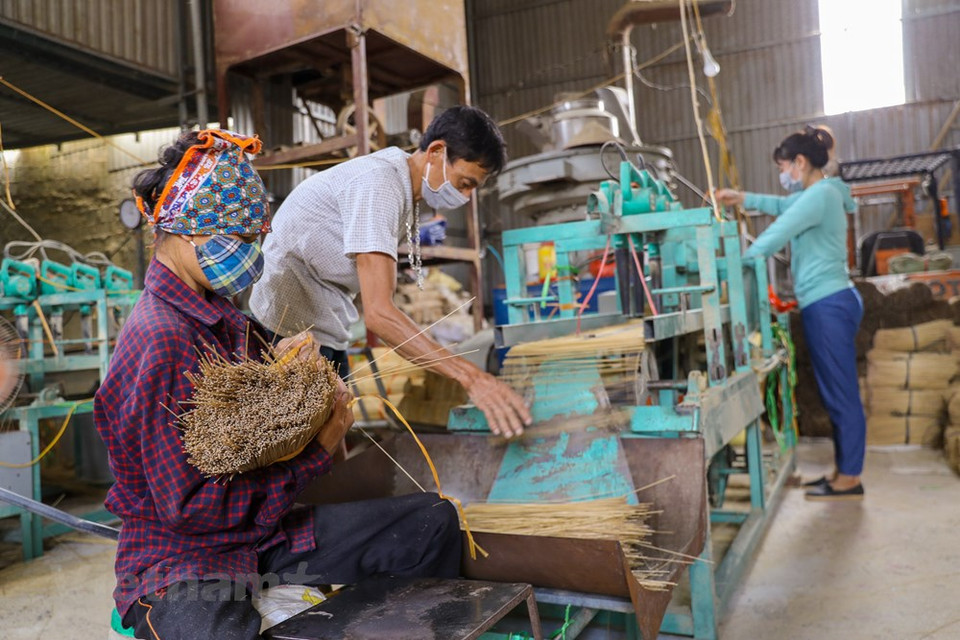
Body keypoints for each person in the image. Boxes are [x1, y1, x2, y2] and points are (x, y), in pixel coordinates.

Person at [95, 129, 461, 640]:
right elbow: (191, 510)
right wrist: (317, 453)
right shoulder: (160, 339)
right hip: (183, 560)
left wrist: (294, 368)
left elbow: (263, 389)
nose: (252, 255)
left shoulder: (219, 315)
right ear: (184, 230)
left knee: (431, 522)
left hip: (259, 536)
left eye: (255, 239)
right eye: (240, 239)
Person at [249, 105, 531, 438]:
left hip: (322, 326)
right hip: (284, 333)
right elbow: (380, 315)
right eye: (465, 183)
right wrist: (471, 377)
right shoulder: (380, 183)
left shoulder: (402, 189)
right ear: (436, 151)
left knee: (333, 435)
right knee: (301, 448)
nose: (466, 196)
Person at [716, 127, 866, 501]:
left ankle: (850, 478)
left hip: (829, 304)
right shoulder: (818, 194)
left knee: (841, 394)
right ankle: (843, 471)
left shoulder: (820, 196)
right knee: (835, 392)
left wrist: (733, 266)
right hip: (827, 303)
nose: (783, 175)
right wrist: (742, 198)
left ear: (800, 162)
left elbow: (778, 231)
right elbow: (782, 207)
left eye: (783, 168)